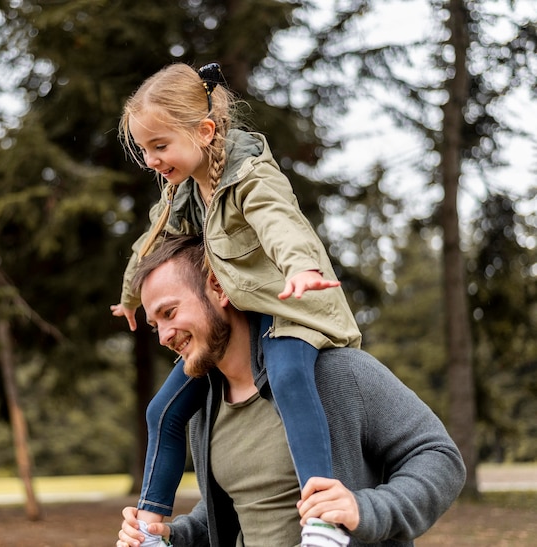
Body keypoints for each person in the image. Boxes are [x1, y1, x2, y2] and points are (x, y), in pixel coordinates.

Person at [110, 63, 362, 545]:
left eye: (159, 146)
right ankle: (150, 527)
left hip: (289, 307)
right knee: (161, 412)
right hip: (240, 316)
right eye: (143, 149)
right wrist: (129, 297)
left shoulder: (250, 176)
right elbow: (153, 243)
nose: (150, 159)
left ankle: (323, 517)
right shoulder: (183, 192)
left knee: (288, 377)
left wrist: (301, 269)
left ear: (204, 131)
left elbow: (279, 223)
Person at [116, 235, 466, 547]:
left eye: (170, 312)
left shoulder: (338, 373)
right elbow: (236, 508)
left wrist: (363, 510)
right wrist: (172, 536)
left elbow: (439, 458)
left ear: (218, 288)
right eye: (154, 324)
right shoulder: (203, 410)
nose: (163, 336)